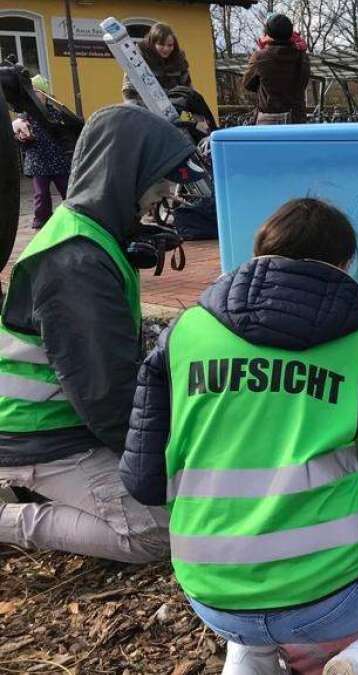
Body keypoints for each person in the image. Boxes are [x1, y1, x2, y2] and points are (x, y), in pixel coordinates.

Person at [120, 198, 358, 675]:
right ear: (342, 264)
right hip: (326, 593)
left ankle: (250, 653)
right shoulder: (353, 337)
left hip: (211, 594)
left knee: (252, 618)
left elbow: (144, 482)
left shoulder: (184, 331)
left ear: (259, 252)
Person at [0, 105, 200, 562]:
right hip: (41, 436)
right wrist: (164, 463)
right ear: (125, 171)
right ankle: (13, 518)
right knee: (166, 529)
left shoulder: (89, 234)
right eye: (161, 178)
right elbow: (106, 396)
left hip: (62, 423)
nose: (168, 192)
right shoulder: (77, 263)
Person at [11, 75, 73, 230]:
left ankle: (74, 215)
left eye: (37, 92)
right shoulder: (25, 117)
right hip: (38, 162)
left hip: (58, 161)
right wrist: (23, 138)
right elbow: (19, 140)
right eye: (31, 93)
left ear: (45, 95)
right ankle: (42, 221)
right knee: (41, 195)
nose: (34, 96)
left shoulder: (56, 114)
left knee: (67, 190)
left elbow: (66, 135)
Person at [243, 14, 311, 125]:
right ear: (290, 32)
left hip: (268, 119)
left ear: (268, 33)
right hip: (296, 118)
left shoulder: (260, 57)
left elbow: (247, 83)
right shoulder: (302, 56)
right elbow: (303, 82)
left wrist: (264, 87)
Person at [121, 23, 192, 103]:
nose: (166, 49)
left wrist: (184, 108)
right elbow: (129, 87)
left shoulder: (179, 62)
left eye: (170, 45)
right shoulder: (138, 59)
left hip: (174, 108)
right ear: (152, 44)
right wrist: (134, 108)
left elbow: (187, 90)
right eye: (161, 44)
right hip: (144, 107)